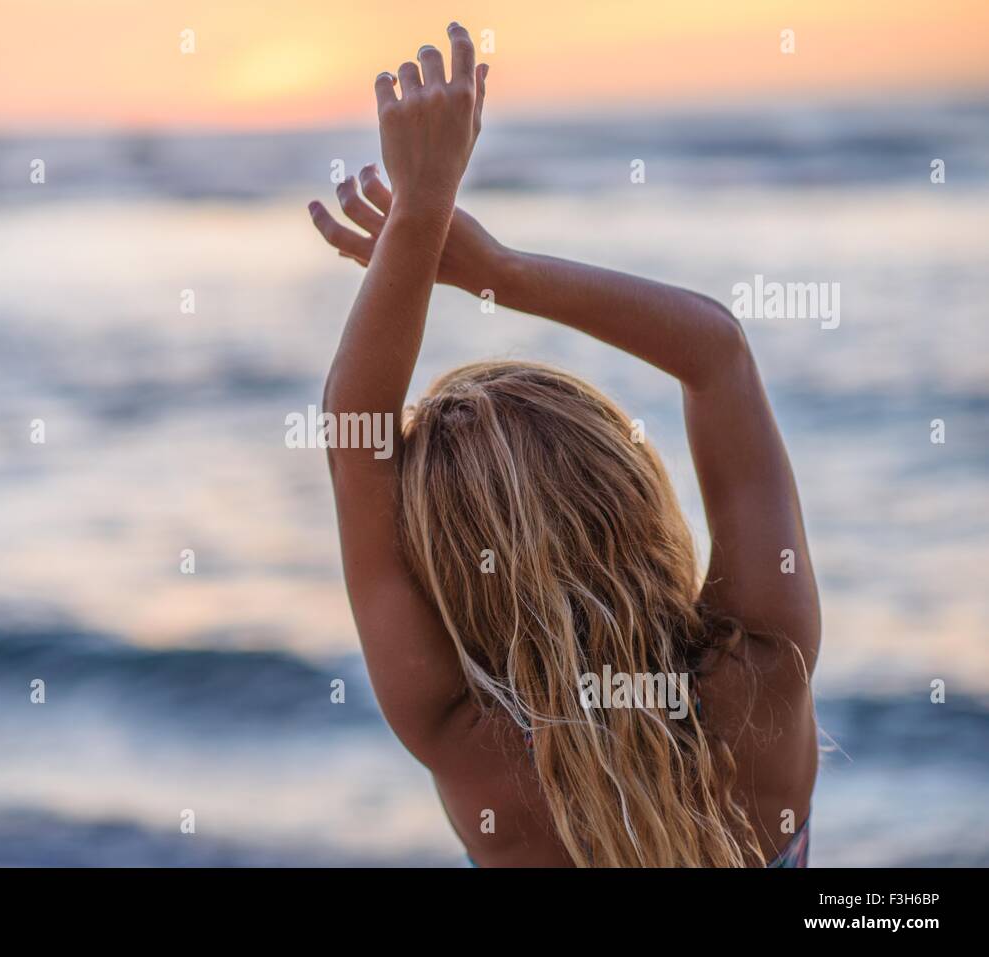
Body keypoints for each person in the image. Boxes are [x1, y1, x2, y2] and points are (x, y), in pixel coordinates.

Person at [307, 23, 819, 867]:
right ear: (629, 488)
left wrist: (419, 216)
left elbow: (354, 434)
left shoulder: (470, 746)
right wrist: (497, 270)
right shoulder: (765, 670)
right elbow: (718, 355)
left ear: (452, 565)